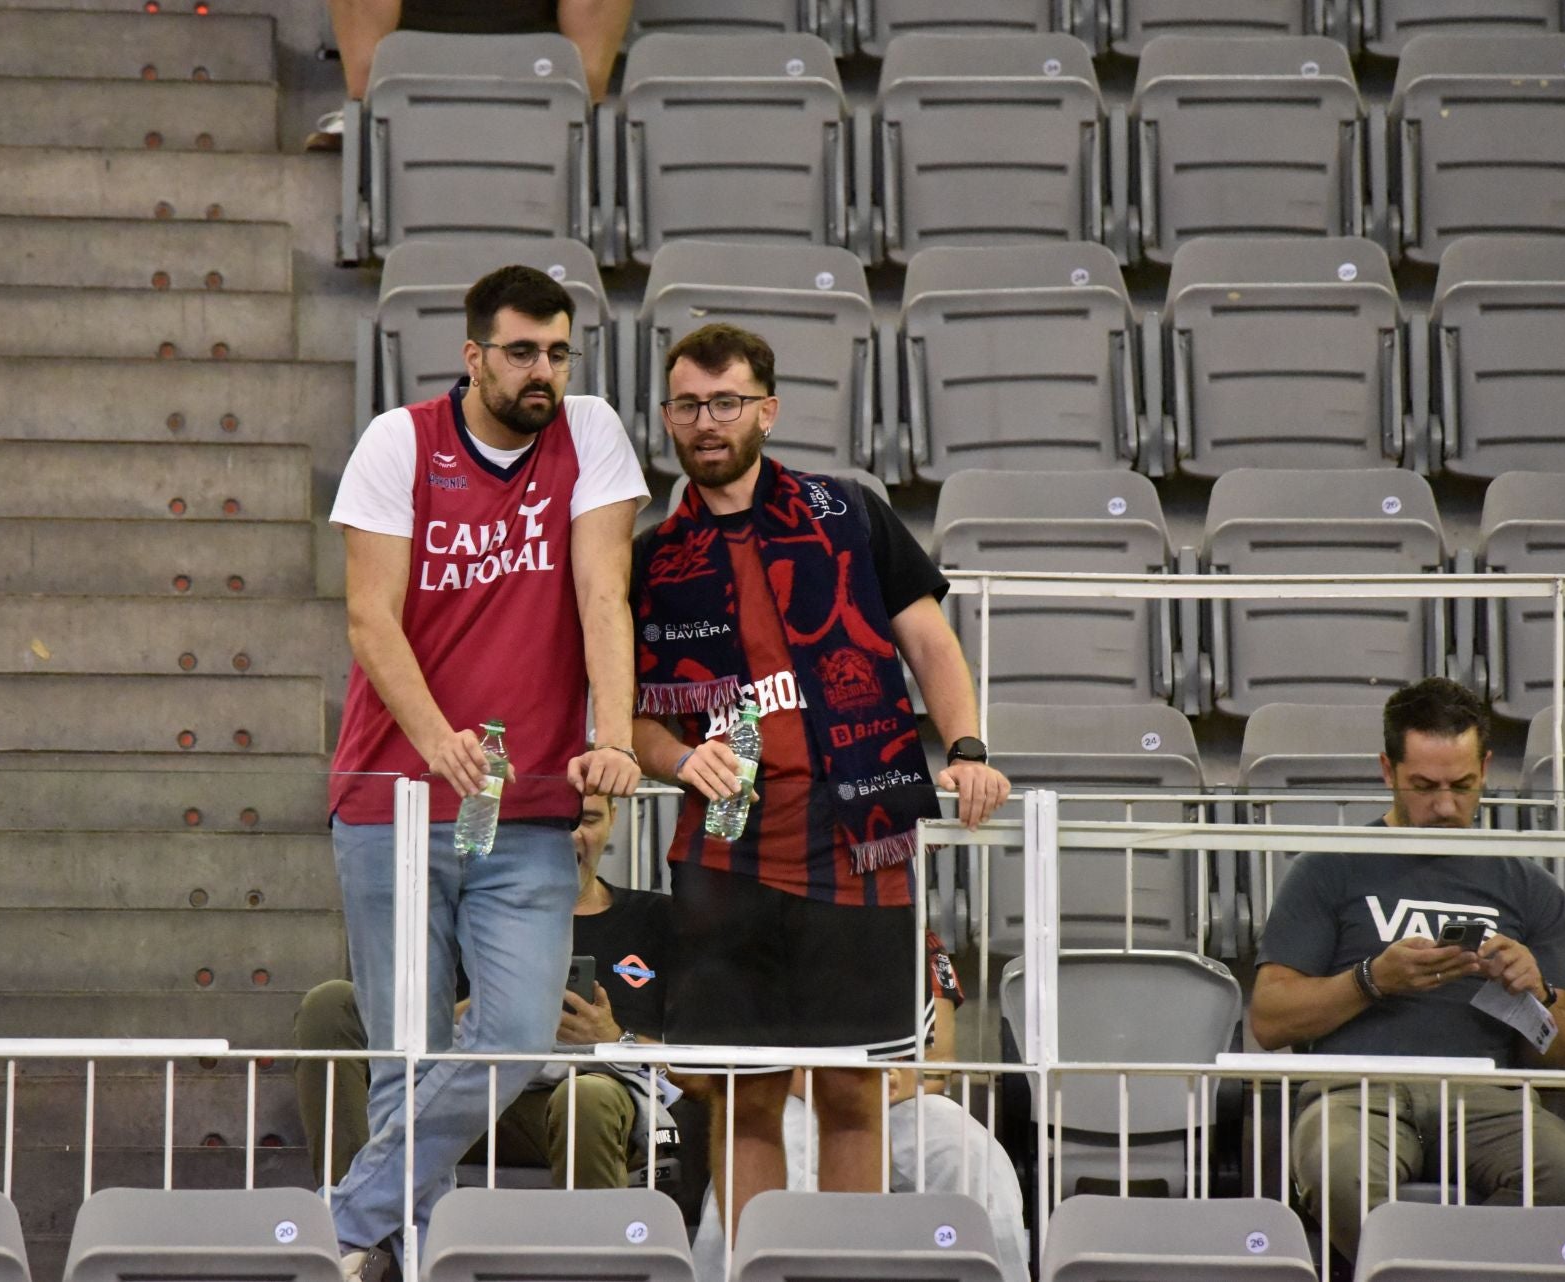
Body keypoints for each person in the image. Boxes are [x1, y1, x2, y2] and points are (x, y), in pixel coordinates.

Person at [628, 323, 1013, 1247]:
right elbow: (630, 718)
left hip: (862, 843)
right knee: (745, 1099)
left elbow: (927, 640)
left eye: (725, 402)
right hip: (724, 858)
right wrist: (679, 760)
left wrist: (964, 744)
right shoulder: (649, 557)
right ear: (669, 417)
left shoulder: (851, 512)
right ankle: (760, 1268)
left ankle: (847, 1275)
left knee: (855, 1093)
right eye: (687, 405)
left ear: (768, 407)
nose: (706, 423)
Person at [327, 264, 648, 1276]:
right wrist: (436, 741)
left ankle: (337, 1225)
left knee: (510, 1035)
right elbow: (369, 615)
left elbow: (604, 592)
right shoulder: (399, 441)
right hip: (394, 794)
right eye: (521, 351)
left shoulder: (589, 433)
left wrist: (618, 733)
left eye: (557, 350)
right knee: (406, 1062)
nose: (543, 370)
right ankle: (400, 1260)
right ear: (473, 356)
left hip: (536, 806)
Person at [1249, 677, 1565, 1263]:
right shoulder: (1328, 868)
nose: (1444, 806)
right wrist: (1371, 981)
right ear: (1388, 771)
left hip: (1488, 1095)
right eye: (1424, 787)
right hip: (1356, 1092)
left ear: (1486, 767)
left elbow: (1563, 1051)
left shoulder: (1532, 889)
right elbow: (1270, 1018)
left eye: (1463, 786)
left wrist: (1535, 988)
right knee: (1340, 1172)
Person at [295, 793, 675, 1192]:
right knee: (330, 1003)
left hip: (579, 1103)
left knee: (588, 1098)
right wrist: (491, 1007)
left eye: (588, 821)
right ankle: (359, 1231)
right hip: (463, 1091)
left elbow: (702, 1067)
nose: (569, 837)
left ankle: (594, 1252)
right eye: (552, 826)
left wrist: (615, 1040)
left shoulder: (655, 919)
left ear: (614, 818)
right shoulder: (465, 907)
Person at [687, 934, 1031, 1282]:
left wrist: (888, 1083)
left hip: (896, 1098)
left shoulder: (917, 940)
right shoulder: (761, 931)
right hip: (789, 1094)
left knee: (972, 1151)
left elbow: (940, 1060)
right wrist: (824, 1085)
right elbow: (742, 1057)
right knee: (762, 1148)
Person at [308, 0, 632, 148]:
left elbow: (588, 51)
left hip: (539, 74)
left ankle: (581, 135)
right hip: (405, 72)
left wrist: (578, 110)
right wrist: (366, 102)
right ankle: (367, 120)